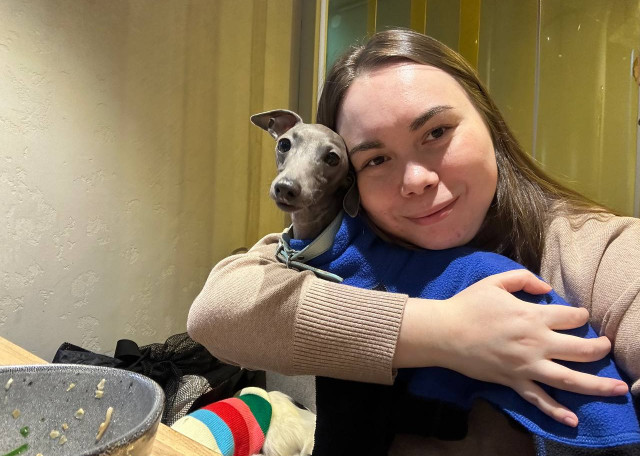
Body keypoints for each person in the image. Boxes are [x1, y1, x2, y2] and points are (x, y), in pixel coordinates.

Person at [188, 29, 640, 454]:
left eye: (436, 132)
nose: (416, 180)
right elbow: (219, 310)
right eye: (376, 159)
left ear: (490, 123)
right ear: (349, 181)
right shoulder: (350, 245)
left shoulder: (600, 251)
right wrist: (446, 331)